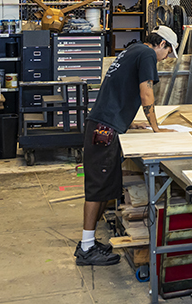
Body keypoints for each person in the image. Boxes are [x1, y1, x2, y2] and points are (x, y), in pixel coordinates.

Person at [75, 24, 179, 266]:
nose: (166, 58)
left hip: (105, 125)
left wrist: (129, 122)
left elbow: (119, 91)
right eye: (168, 52)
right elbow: (146, 94)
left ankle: (89, 243)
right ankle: (86, 248)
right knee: (97, 187)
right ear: (161, 44)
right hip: (103, 129)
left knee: (104, 187)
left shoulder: (132, 51)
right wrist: (156, 127)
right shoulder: (146, 54)